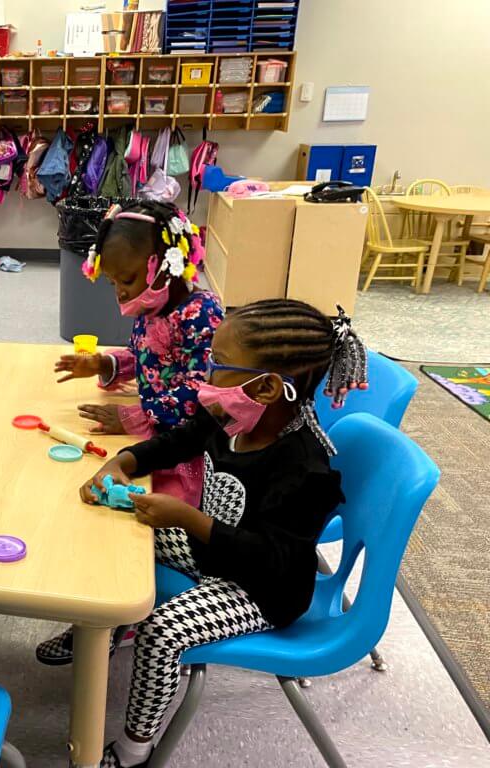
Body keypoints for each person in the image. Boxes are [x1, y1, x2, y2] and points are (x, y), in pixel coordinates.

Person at [86, 299, 363, 768]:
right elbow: (178, 441)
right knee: (118, 531)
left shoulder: (304, 469)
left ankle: (133, 752)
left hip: (262, 589)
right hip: (214, 551)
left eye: (218, 363)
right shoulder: (234, 416)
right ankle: (98, 630)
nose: (206, 374)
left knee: (160, 633)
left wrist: (188, 519)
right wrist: (124, 462)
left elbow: (272, 559)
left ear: (267, 386)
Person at [39, 200, 222, 665]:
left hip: (183, 457)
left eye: (127, 280)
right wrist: (106, 363)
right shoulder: (154, 304)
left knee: (121, 528)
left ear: (163, 266)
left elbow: (201, 396)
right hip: (154, 437)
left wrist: (133, 419)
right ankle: (99, 609)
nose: (120, 293)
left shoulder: (200, 313)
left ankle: (115, 620)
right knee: (86, 491)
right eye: (113, 283)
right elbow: (148, 358)